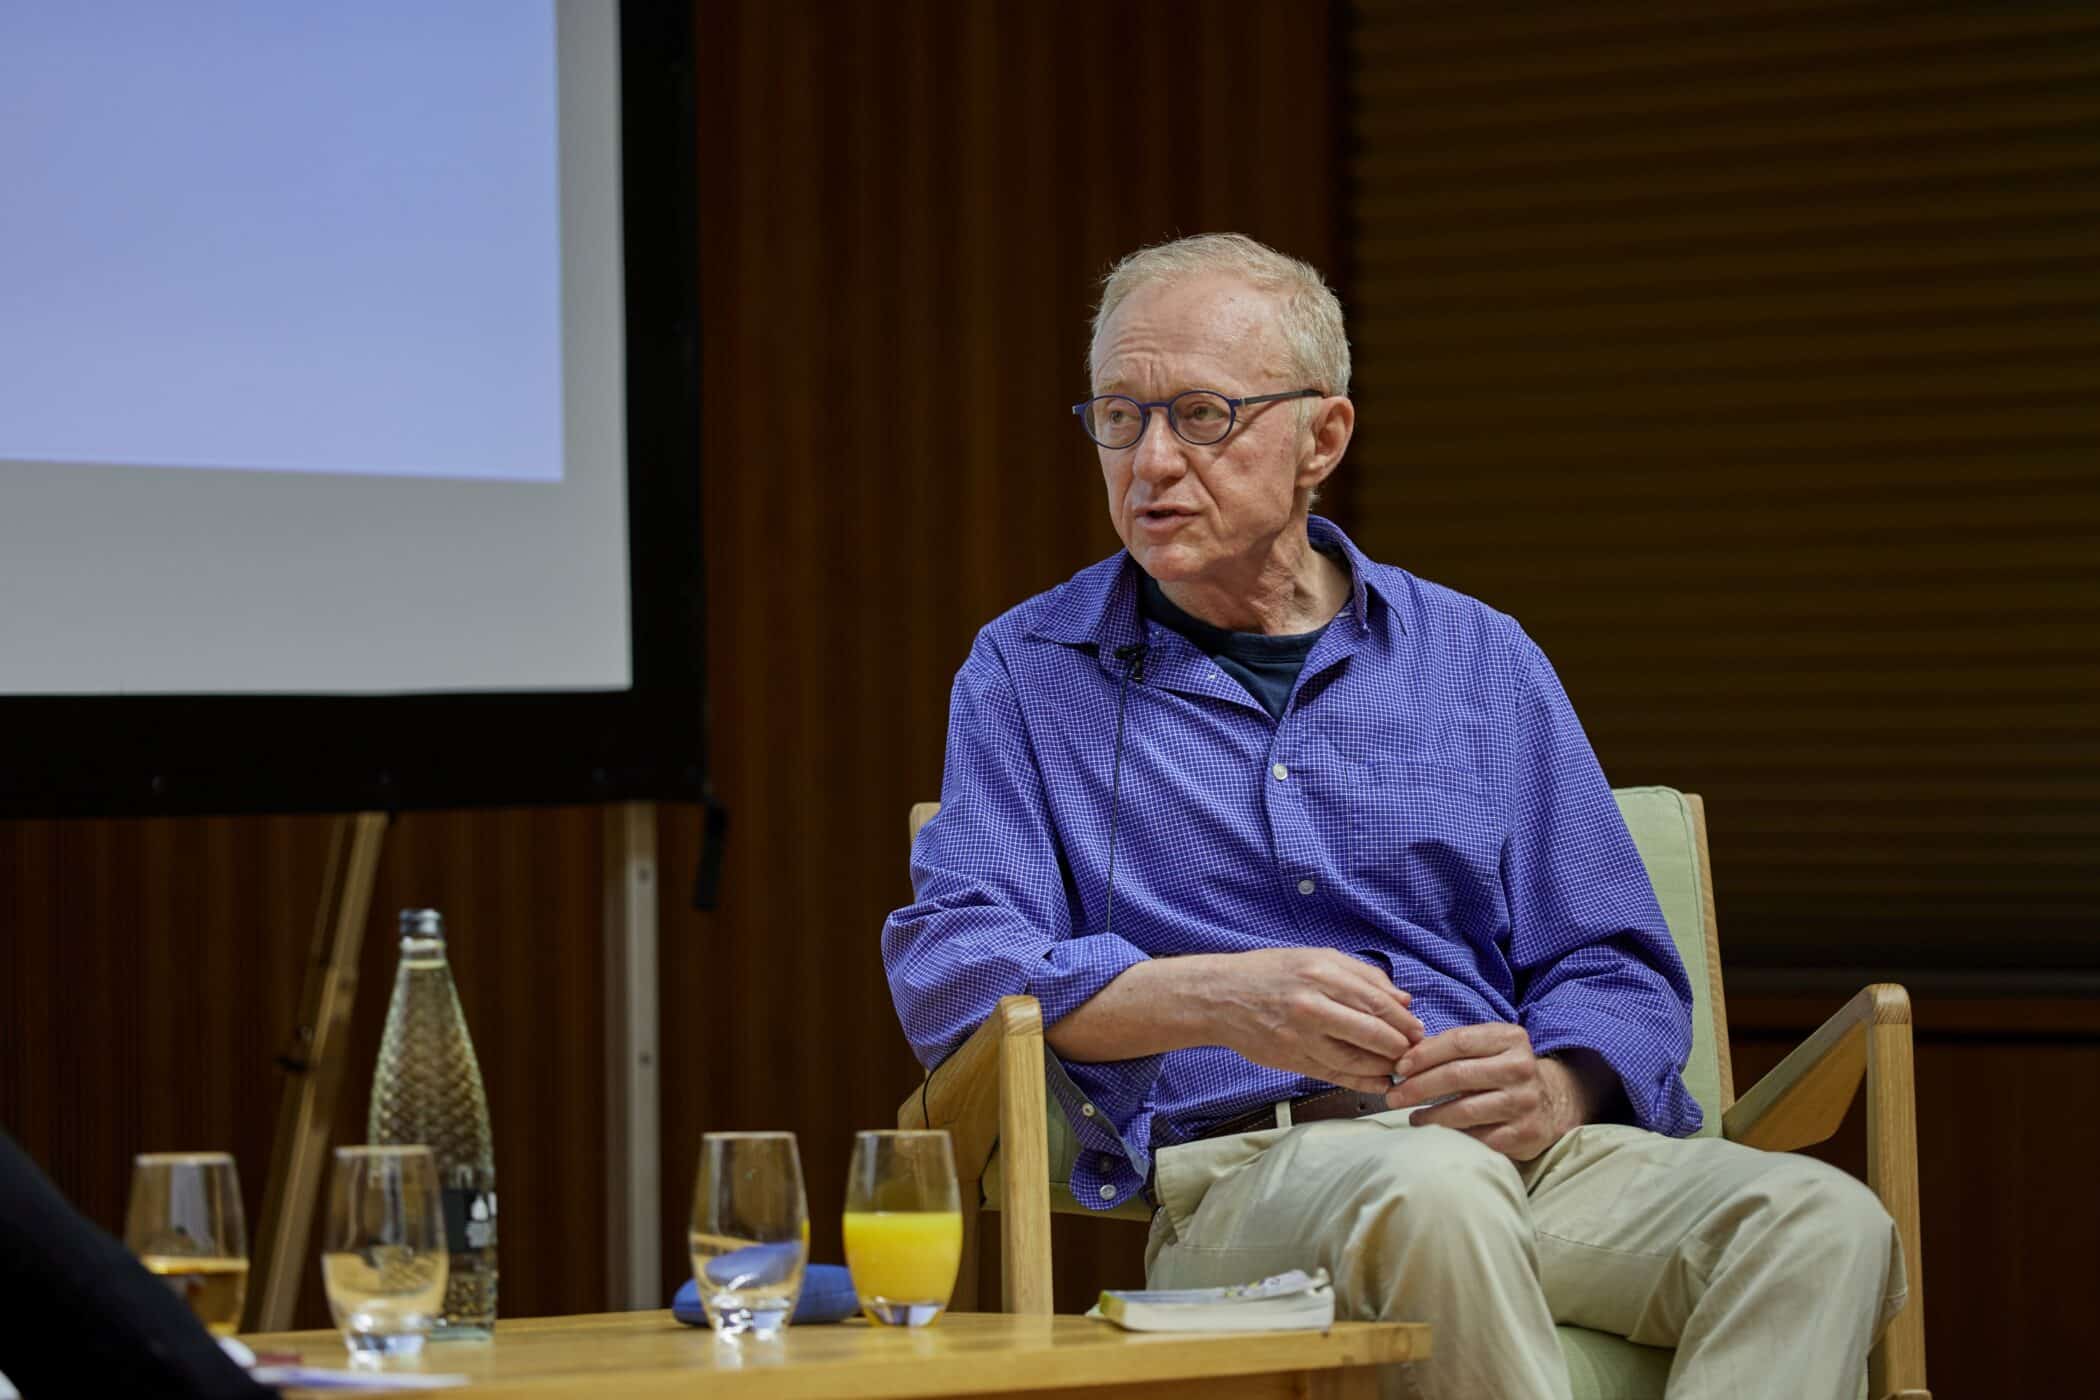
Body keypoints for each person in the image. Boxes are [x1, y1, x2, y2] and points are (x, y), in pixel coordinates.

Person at [882, 233, 1909, 1399]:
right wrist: (1219, 993)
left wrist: (1558, 1085)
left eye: (1202, 415)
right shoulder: (1028, 671)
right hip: (1247, 1180)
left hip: (1520, 1153)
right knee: (1437, 1192)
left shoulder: (1478, 657)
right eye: (1119, 416)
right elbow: (958, 964)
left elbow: (1618, 962)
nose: (1151, 461)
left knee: (1823, 1221)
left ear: (1323, 436)